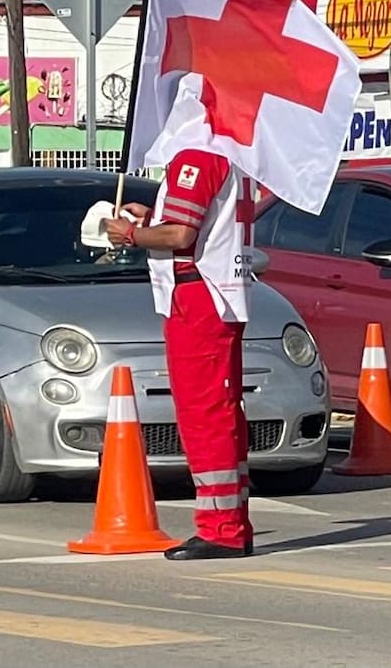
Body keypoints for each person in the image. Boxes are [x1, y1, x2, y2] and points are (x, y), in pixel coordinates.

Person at [106, 146, 255, 560]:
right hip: (210, 291)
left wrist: (131, 234)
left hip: (197, 293)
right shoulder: (222, 154)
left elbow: (180, 235)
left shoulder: (198, 155)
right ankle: (230, 521)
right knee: (218, 409)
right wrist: (151, 216)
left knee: (204, 412)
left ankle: (222, 528)